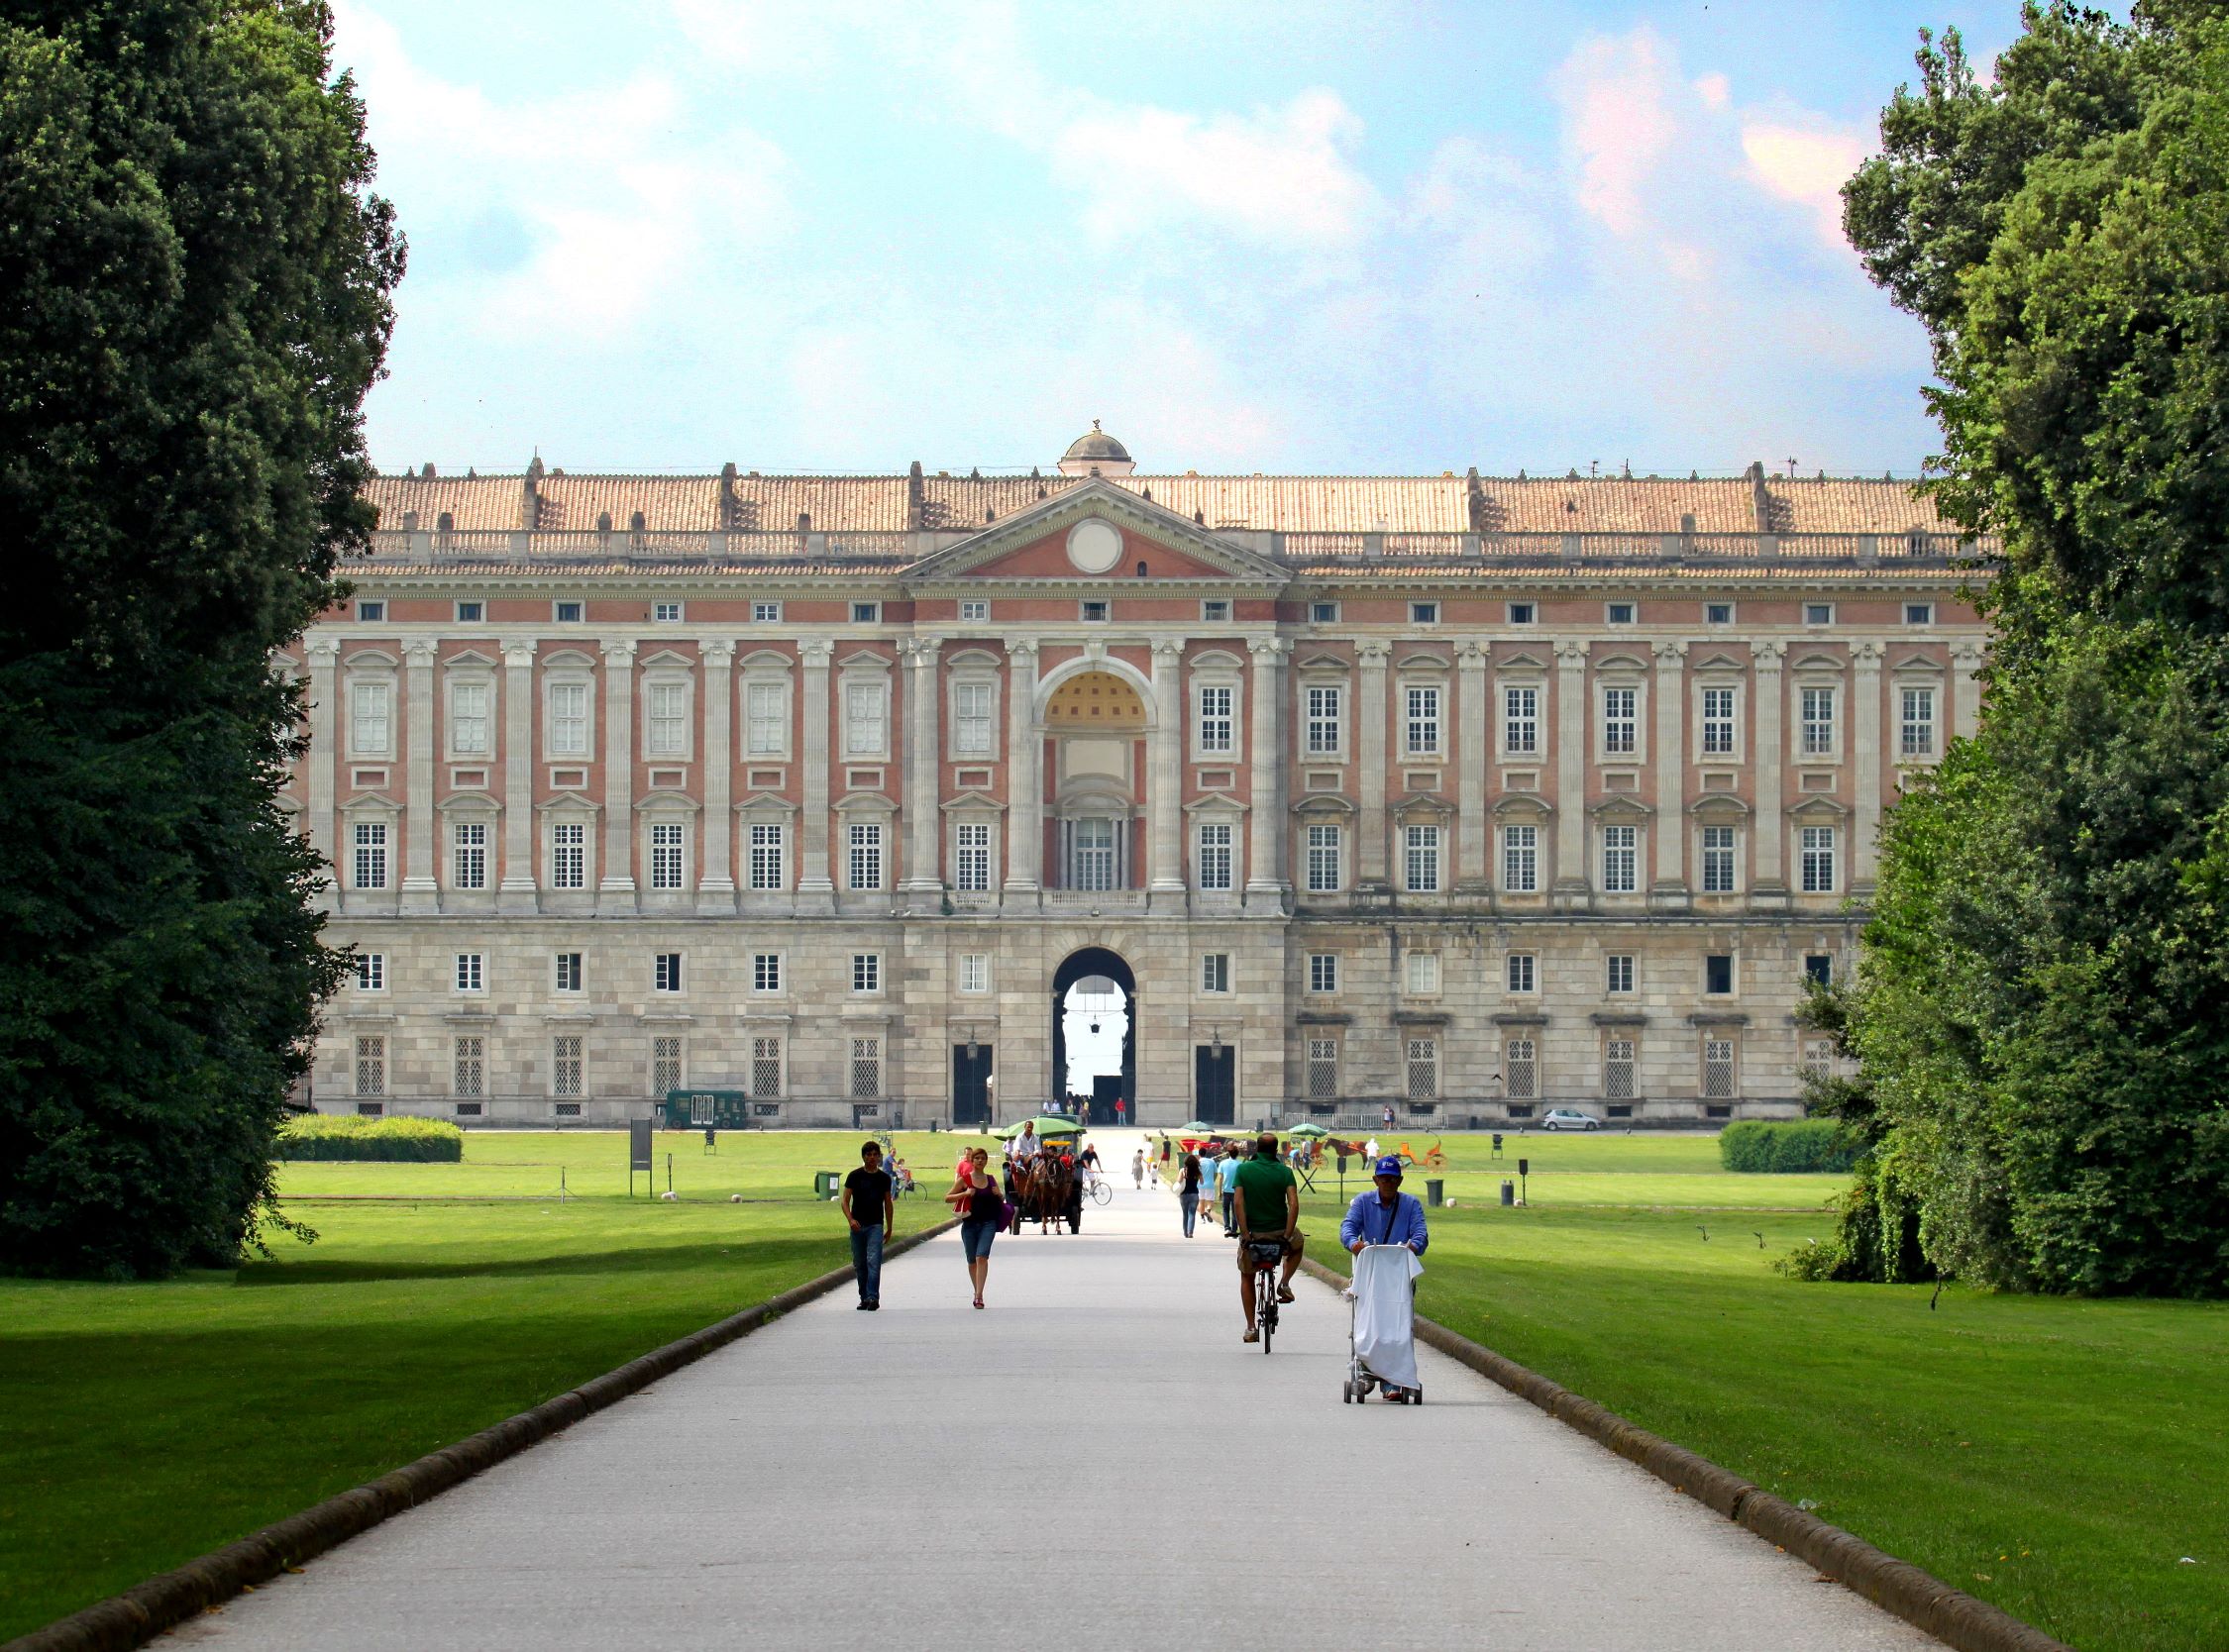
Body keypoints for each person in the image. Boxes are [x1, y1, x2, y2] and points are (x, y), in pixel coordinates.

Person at [1339, 1156, 1430, 1399]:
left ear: (1400, 1181)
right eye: (1383, 1179)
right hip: (1370, 1274)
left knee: (1397, 1325)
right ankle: (1368, 1369)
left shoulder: (1411, 1204)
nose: (1388, 1183)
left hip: (1399, 1276)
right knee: (1370, 1323)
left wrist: (1415, 1245)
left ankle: (1393, 1380)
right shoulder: (1362, 1202)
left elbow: (1420, 1231)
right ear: (1375, 1179)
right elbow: (1347, 1227)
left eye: (1393, 1179)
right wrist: (1354, 1243)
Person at [1232, 1133, 1304, 1343]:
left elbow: (1237, 1203)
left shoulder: (1243, 1169)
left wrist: (1245, 1235)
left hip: (1253, 1233)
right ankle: (1284, 1282)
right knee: (1298, 1245)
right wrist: (1287, 1235)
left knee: (1247, 1276)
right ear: (1275, 1152)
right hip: (1278, 1232)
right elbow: (1294, 1205)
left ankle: (1251, 1327)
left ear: (1256, 1150)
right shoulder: (1284, 1172)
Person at [841, 1140, 896, 1311]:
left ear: (879, 1157)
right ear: (863, 1157)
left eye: (875, 1155)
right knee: (860, 1263)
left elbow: (888, 1203)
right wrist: (850, 1219)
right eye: (868, 1155)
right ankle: (864, 1296)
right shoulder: (855, 1176)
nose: (872, 1158)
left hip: (875, 1225)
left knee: (874, 1260)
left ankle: (873, 1297)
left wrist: (889, 1227)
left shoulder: (883, 1178)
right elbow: (844, 1201)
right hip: (857, 1224)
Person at [953, 1147, 1001, 1309]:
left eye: (983, 1158)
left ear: (986, 1161)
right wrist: (964, 1194)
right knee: (972, 1261)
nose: (980, 1161)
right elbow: (947, 1197)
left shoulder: (991, 1179)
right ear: (972, 1161)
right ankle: (976, 1291)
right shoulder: (964, 1179)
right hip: (969, 1224)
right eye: (977, 1158)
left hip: (988, 1223)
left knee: (982, 1257)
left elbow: (1000, 1201)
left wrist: (999, 1195)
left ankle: (979, 1295)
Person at [1216, 1144, 1244, 1235]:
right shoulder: (1240, 1164)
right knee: (1235, 1210)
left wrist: (1220, 1191)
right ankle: (1234, 1229)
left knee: (1225, 1209)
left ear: (1228, 1153)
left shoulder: (1223, 1163)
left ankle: (1227, 1227)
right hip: (1237, 1191)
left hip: (1226, 1190)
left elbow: (1220, 1178)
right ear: (1237, 1154)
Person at [1177, 1151, 1203, 1237]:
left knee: (1185, 1214)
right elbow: (1202, 1182)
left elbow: (1179, 1181)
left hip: (1184, 1195)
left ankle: (1185, 1232)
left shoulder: (1183, 1170)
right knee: (1192, 1213)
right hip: (1194, 1194)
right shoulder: (1197, 1171)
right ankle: (1190, 1232)